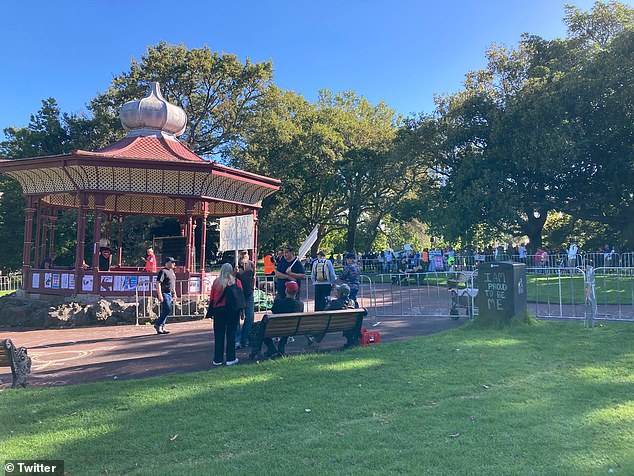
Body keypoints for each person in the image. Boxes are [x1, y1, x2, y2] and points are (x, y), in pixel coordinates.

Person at [209, 262, 243, 366]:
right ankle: (230, 358)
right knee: (231, 334)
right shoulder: (237, 282)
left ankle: (218, 359)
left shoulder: (216, 282)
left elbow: (212, 298)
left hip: (219, 310)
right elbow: (240, 298)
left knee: (219, 335)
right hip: (232, 310)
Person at [262, 281, 304, 358]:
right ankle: (281, 346)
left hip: (276, 328)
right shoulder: (300, 305)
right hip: (292, 328)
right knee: (287, 328)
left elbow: (274, 311)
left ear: (286, 290)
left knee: (262, 328)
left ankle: (271, 347)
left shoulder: (278, 302)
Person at [324, 283, 362, 348]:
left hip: (334, 325)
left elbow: (325, 311)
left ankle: (312, 337)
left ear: (341, 293)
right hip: (350, 325)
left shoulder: (335, 303)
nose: (337, 292)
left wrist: (329, 303)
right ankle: (352, 341)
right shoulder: (353, 303)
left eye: (338, 291)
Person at [235, 250, 256, 350]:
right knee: (236, 317)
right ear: (238, 254)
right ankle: (237, 339)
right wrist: (234, 273)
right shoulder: (234, 265)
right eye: (242, 253)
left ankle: (245, 337)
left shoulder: (251, 264)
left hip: (249, 294)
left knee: (250, 316)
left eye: (245, 253)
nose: (244, 255)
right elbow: (230, 278)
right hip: (237, 295)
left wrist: (253, 286)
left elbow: (253, 276)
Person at [154, 256, 177, 335]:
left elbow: (172, 284)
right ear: (167, 263)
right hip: (164, 292)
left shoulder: (172, 272)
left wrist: (174, 294)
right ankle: (158, 324)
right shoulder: (163, 271)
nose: (174, 263)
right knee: (167, 309)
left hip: (169, 293)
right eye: (172, 262)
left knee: (166, 310)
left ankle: (162, 326)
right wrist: (160, 294)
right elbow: (158, 283)